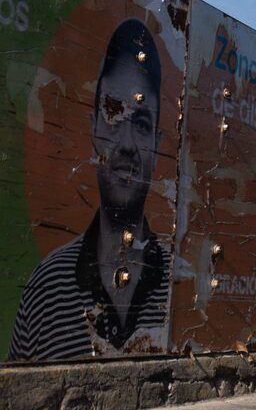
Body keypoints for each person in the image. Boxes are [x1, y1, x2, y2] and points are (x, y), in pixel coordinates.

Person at [9, 19, 170, 361]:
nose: (126, 144)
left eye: (142, 124)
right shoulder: (45, 288)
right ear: (93, 128)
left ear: (158, 146)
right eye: (112, 113)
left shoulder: (182, 282)